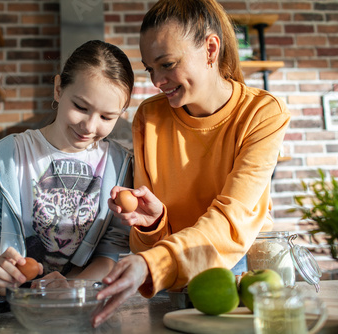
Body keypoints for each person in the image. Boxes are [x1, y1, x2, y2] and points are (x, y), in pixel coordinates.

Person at [92, 0, 291, 327]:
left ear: (211, 49)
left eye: (167, 64)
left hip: (236, 279)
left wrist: (152, 263)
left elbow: (231, 219)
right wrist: (151, 223)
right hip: (167, 279)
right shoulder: (150, 116)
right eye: (149, 68)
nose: (157, 80)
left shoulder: (261, 114)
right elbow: (146, 238)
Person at [0, 40, 135, 296]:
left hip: (81, 307)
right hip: (15, 307)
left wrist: (74, 286)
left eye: (106, 117)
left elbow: (111, 251)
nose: (89, 126)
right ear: (58, 89)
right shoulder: (9, 155)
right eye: (80, 106)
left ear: (121, 112)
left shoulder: (118, 164)